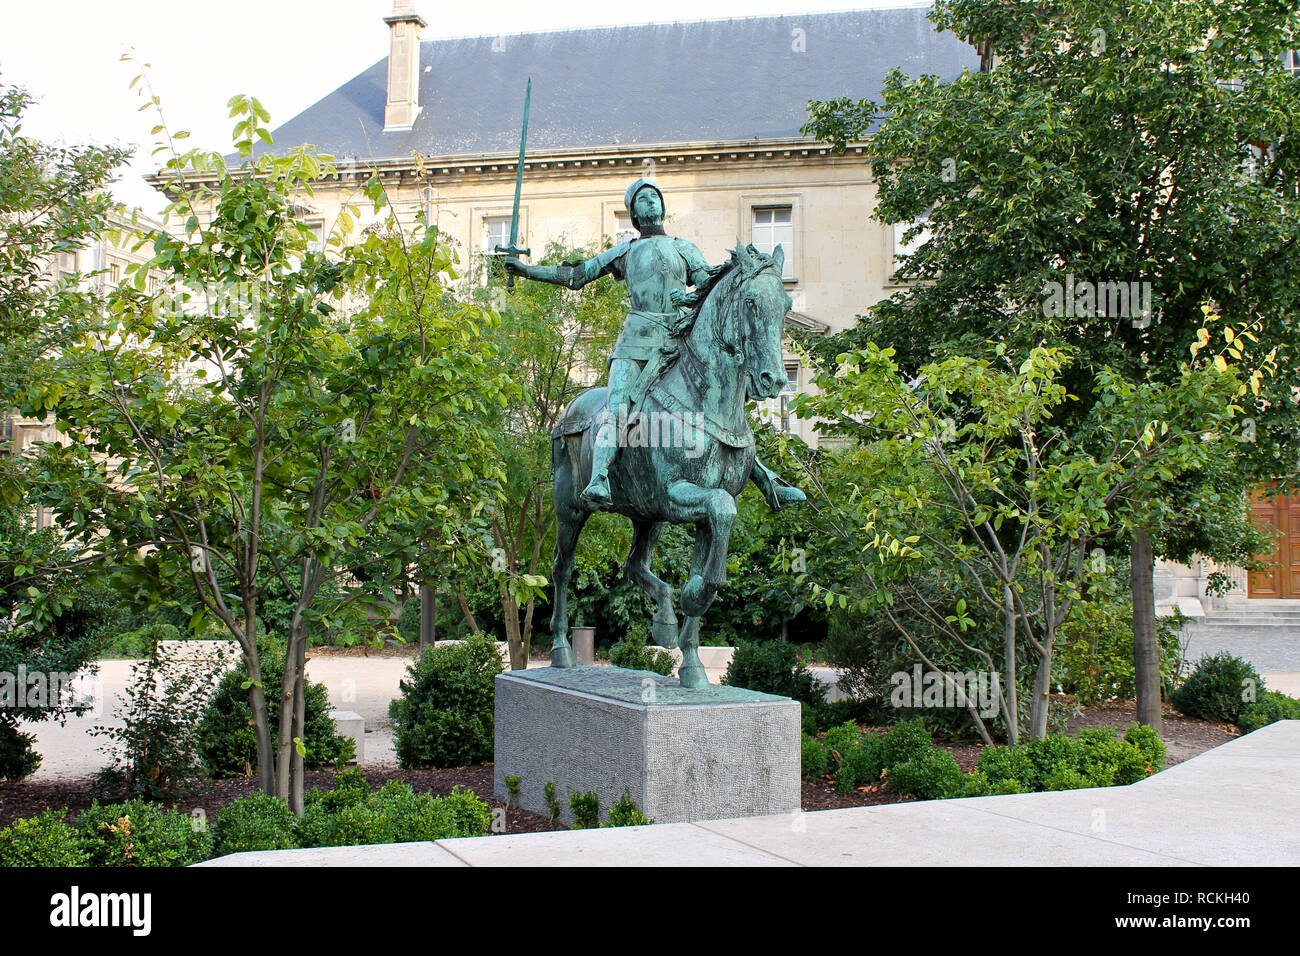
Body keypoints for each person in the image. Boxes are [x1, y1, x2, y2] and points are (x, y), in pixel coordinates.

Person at [505, 178, 804, 511]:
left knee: (725, 401)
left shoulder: (683, 248)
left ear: (663, 207)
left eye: (654, 197)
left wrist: (690, 295)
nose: (650, 202)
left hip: (678, 341)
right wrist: (527, 271)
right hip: (635, 344)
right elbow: (577, 276)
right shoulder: (626, 251)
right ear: (633, 212)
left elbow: (706, 283)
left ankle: (767, 480)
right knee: (617, 403)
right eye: (642, 199)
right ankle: (599, 476)